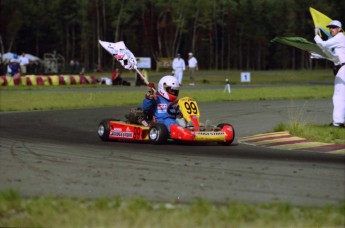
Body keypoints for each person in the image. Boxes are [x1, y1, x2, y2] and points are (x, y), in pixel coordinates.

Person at [314, 20, 345, 128]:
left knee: (338, 96)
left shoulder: (340, 37)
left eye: (334, 27)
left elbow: (324, 44)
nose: (331, 29)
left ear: (340, 29)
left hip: (343, 69)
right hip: (341, 69)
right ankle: (339, 122)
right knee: (341, 96)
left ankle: (337, 123)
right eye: (330, 27)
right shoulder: (337, 40)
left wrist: (316, 35)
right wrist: (313, 54)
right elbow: (330, 55)